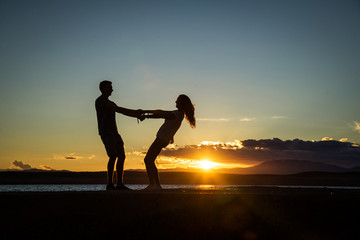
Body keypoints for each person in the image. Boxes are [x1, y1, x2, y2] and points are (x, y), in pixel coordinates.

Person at [139, 94, 196, 190]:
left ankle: (154, 185)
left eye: (177, 100)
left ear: (181, 103)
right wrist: (145, 112)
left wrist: (146, 115)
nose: (175, 102)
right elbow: (161, 112)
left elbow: (160, 115)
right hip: (163, 138)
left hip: (161, 138)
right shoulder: (178, 113)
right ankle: (155, 185)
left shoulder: (177, 114)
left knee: (148, 160)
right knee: (150, 160)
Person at [95, 80, 142, 190]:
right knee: (113, 156)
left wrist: (136, 114)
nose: (112, 89)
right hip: (106, 132)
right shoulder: (101, 101)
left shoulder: (110, 102)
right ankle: (110, 184)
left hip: (115, 132)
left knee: (121, 156)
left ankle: (119, 183)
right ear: (103, 89)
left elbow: (121, 110)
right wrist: (136, 113)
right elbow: (120, 110)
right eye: (109, 87)